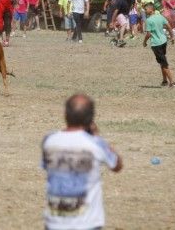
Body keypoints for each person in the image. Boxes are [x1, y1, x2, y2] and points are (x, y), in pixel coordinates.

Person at [41, 94, 122, 230]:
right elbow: (117, 165)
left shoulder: (49, 140)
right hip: (86, 224)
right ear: (91, 118)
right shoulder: (96, 143)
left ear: (66, 115)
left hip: (54, 223)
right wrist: (97, 136)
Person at [143, 3, 175, 87]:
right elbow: (169, 26)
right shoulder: (160, 16)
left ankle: (172, 82)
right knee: (162, 61)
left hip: (156, 44)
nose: (145, 11)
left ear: (151, 9)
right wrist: (172, 36)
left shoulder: (149, 20)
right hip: (164, 42)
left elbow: (148, 34)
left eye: (146, 9)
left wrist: (144, 42)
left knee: (164, 63)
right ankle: (164, 81)